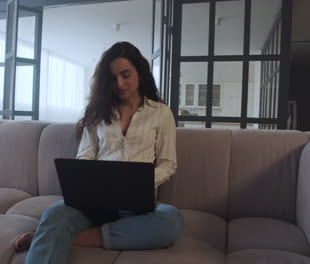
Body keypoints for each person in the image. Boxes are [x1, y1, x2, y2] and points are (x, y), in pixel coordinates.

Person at [14, 41, 184, 264]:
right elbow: (85, 156)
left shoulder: (161, 113)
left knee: (172, 223)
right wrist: (88, 180)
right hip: (96, 202)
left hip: (139, 205)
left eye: (126, 75)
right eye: (113, 78)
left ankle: (57, 238)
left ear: (140, 73)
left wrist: (140, 183)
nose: (120, 83)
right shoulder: (97, 113)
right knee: (53, 215)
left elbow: (168, 163)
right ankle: (53, 234)